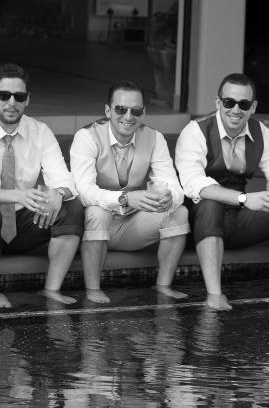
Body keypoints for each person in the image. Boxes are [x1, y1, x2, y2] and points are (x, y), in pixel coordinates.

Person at [175, 73, 269, 311]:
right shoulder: (196, 131)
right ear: (218, 103)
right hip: (198, 222)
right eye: (229, 102)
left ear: (253, 107)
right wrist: (243, 199)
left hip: (238, 220)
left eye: (243, 104)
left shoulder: (261, 132)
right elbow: (194, 184)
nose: (236, 110)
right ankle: (214, 294)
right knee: (209, 205)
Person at [0, 63, 83, 308]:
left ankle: (52, 289)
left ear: (28, 100)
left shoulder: (40, 131)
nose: (12, 102)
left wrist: (58, 193)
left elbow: (63, 178)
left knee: (72, 207)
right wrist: (19, 195)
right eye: (4, 95)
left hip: (26, 221)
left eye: (19, 96)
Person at [69, 81, 190, 303]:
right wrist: (124, 198)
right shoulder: (86, 136)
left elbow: (174, 186)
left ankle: (163, 286)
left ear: (143, 113)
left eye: (135, 111)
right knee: (96, 212)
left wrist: (168, 197)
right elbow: (83, 191)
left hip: (132, 225)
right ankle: (93, 289)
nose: (128, 116)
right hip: (95, 225)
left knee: (179, 212)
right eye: (120, 109)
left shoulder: (155, 138)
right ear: (108, 111)